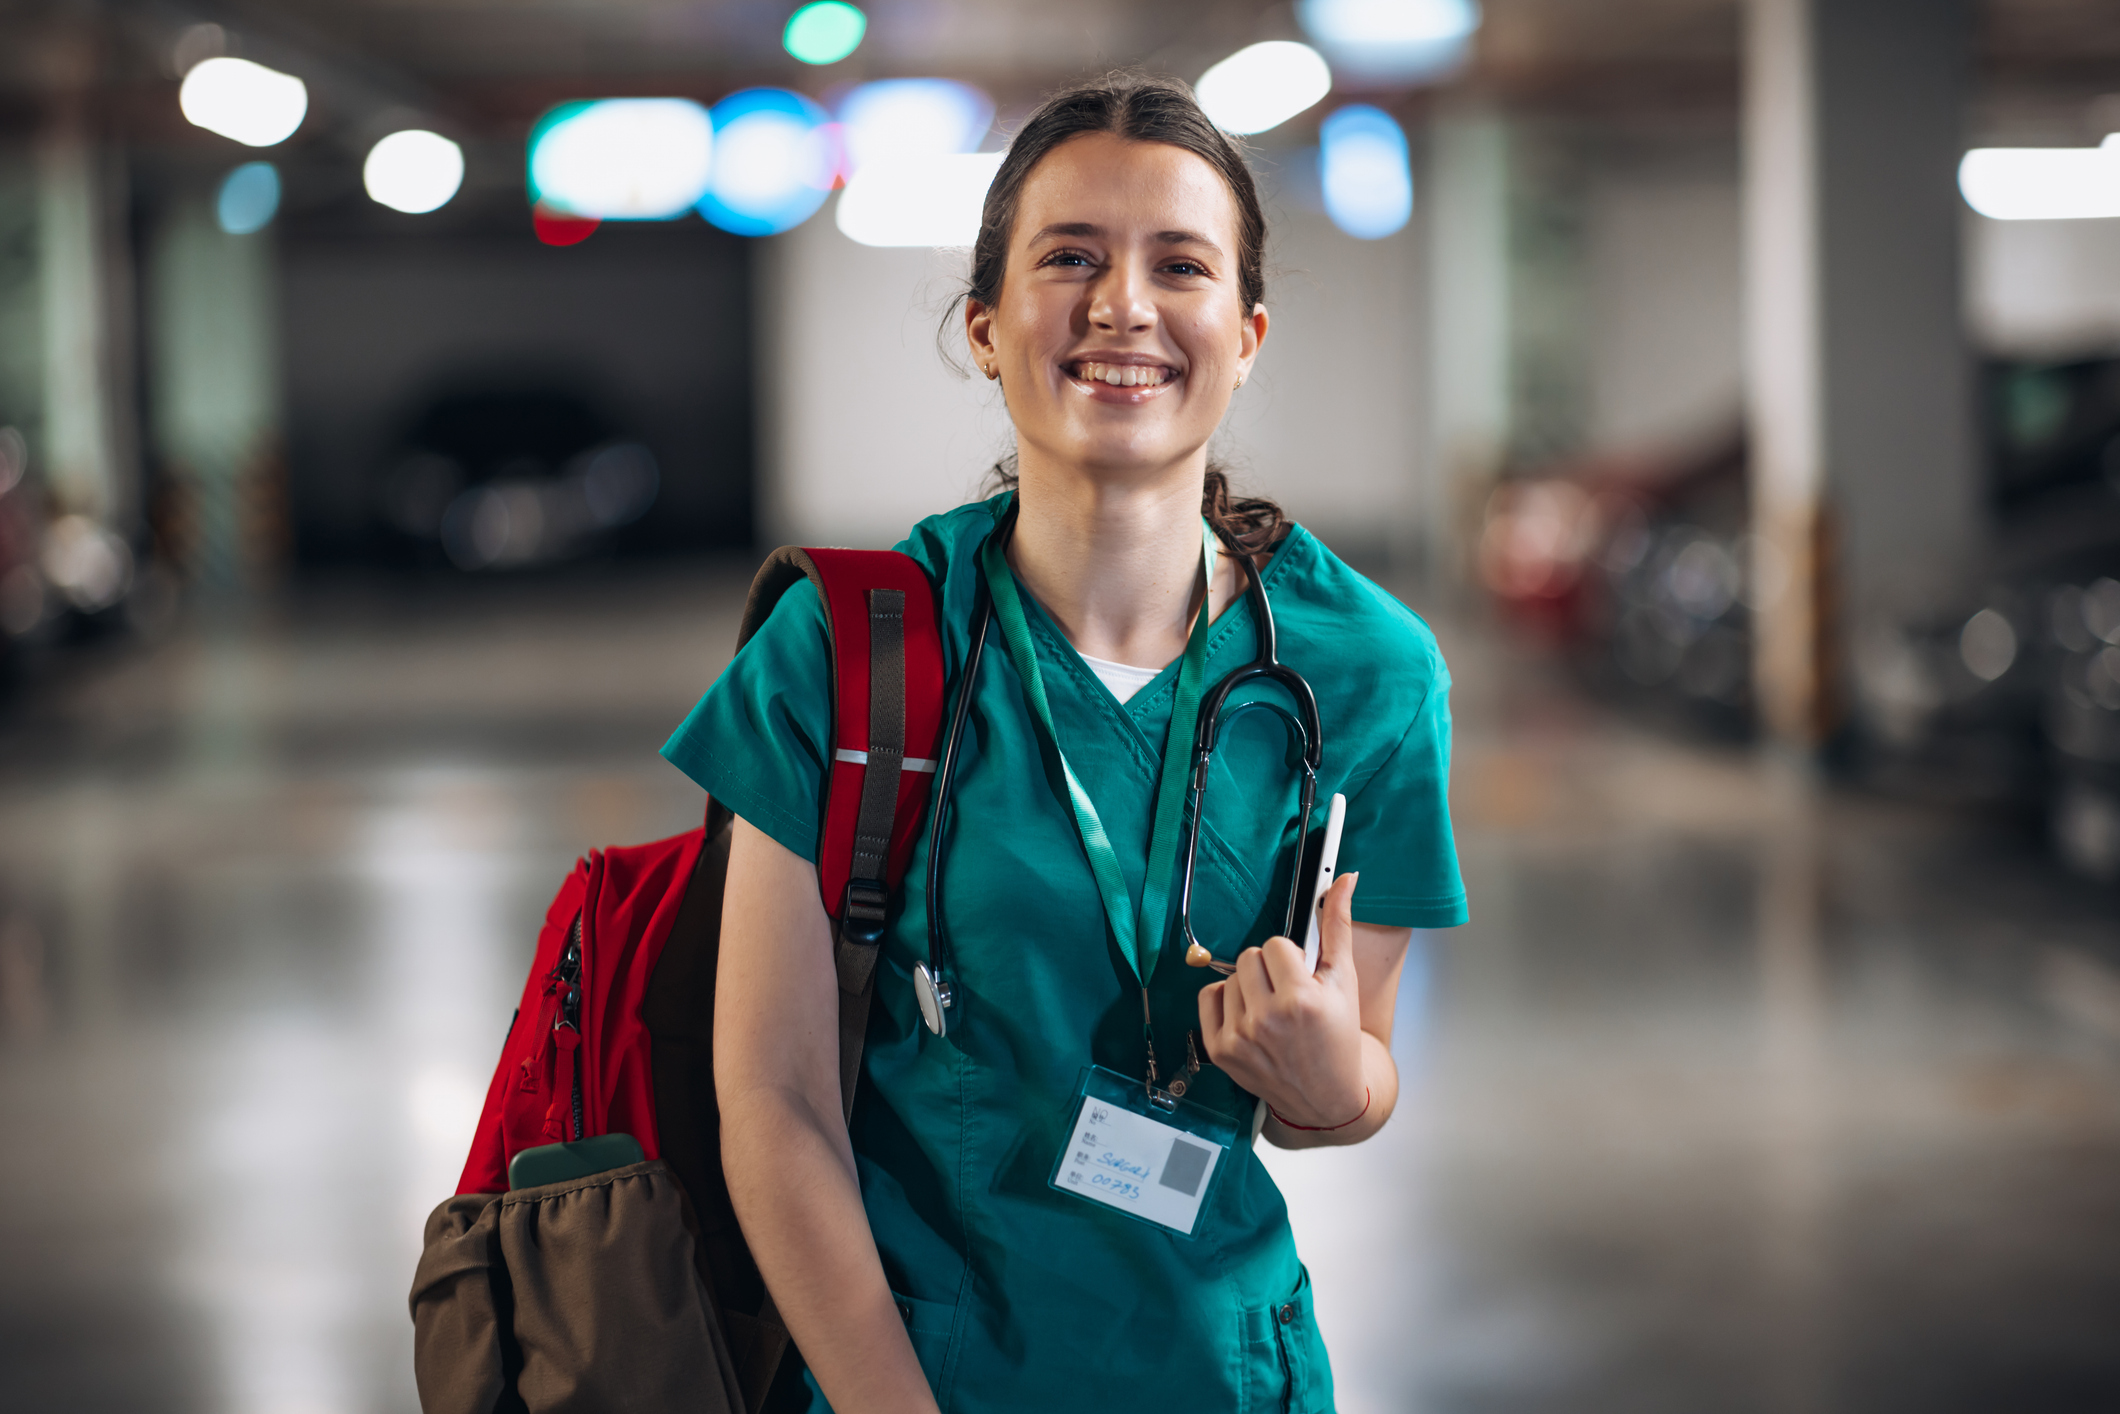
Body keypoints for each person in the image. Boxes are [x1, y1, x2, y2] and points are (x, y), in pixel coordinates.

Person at [663, 71, 1466, 1414]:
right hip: (912, 1375)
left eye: (1181, 265)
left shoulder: (1367, 672)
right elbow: (775, 1098)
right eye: (1070, 259)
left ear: (1248, 330)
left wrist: (1339, 1078)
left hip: (1227, 1373)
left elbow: (1350, 1077)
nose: (1125, 307)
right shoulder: (844, 652)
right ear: (985, 324)